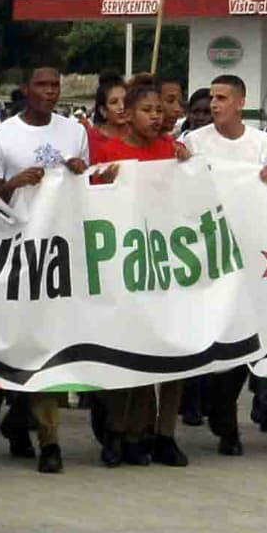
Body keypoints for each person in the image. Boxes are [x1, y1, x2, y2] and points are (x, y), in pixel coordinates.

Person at [0, 65, 91, 473]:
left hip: (60, 251)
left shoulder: (74, 132)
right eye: (41, 85)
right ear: (25, 90)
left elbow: (85, 186)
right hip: (18, 253)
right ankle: (19, 417)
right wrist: (14, 184)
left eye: (55, 85)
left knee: (49, 342)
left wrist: (80, 174)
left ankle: (50, 441)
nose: (50, 92)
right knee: (25, 343)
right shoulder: (0, 138)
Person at [85, 78, 193, 467]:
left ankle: (161, 432)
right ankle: (120, 431)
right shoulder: (109, 152)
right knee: (129, 350)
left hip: (167, 264)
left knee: (169, 352)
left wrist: (186, 167)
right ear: (128, 115)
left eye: (160, 111)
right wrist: (102, 181)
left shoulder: (171, 151)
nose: (155, 116)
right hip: (128, 264)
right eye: (147, 110)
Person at [179, 75, 267, 456]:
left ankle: (225, 413)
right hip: (210, 250)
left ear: (240, 101)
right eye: (212, 98)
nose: (215, 104)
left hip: (250, 250)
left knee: (245, 335)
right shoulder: (195, 141)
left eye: (222, 98)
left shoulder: (262, 142)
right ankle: (215, 410)